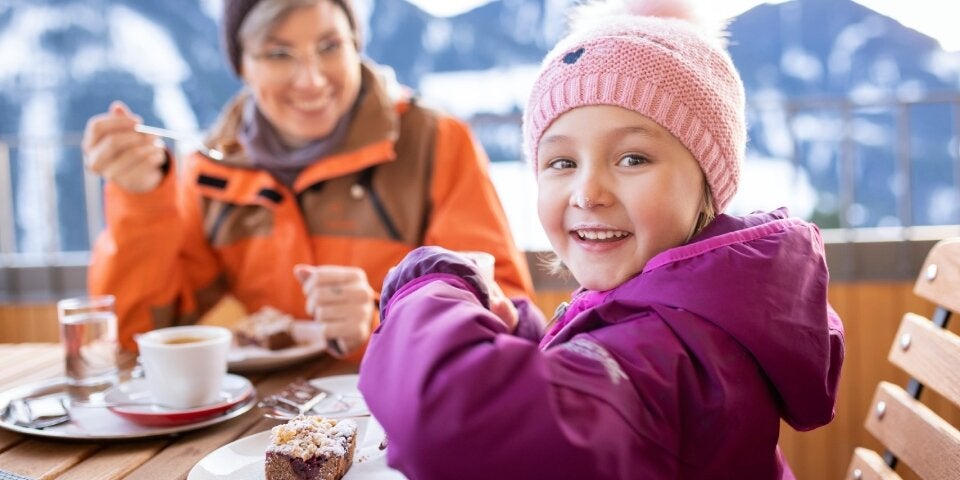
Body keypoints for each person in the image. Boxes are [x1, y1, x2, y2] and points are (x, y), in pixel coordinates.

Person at [358, 0, 845, 477]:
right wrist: (521, 335)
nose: (587, 194)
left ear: (707, 187)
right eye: (562, 163)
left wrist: (430, 283)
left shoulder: (680, 352)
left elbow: (446, 424)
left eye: (632, 159)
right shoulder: (688, 309)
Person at [80, 0, 534, 359]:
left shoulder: (436, 142)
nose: (312, 80)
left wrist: (385, 318)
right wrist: (141, 200)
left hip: (403, 420)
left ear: (356, 46)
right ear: (243, 66)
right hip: (266, 426)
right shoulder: (214, 170)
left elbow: (506, 311)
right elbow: (139, 334)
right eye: (279, 54)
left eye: (330, 46)